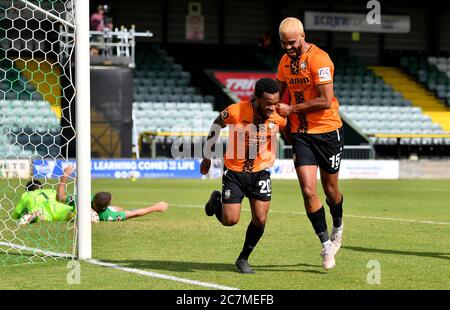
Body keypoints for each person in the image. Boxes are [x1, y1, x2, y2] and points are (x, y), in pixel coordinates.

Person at [276, 17, 344, 270]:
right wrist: (265, 107)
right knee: (307, 190)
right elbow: (277, 89)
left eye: (292, 43)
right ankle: (326, 246)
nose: (288, 48)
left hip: (327, 131)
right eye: (284, 44)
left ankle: (338, 224)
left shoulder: (320, 59)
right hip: (301, 132)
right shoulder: (284, 62)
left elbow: (326, 100)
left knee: (330, 190)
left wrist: (291, 108)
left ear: (302, 36)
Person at [200, 78, 287, 274]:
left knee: (261, 218)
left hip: (260, 172)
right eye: (268, 104)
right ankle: (216, 202)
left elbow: (288, 128)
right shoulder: (236, 111)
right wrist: (206, 155)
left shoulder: (278, 115)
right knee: (230, 220)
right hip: (235, 173)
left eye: (275, 103)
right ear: (256, 98)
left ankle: (243, 258)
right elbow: (216, 125)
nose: (272, 108)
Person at [13, 165, 169, 224]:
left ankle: (87, 215)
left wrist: (64, 177)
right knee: (120, 209)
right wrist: (155, 207)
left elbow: (60, 197)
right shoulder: (108, 215)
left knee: (51, 214)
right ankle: (89, 216)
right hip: (75, 213)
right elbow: (134, 213)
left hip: (66, 208)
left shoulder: (83, 199)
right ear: (105, 206)